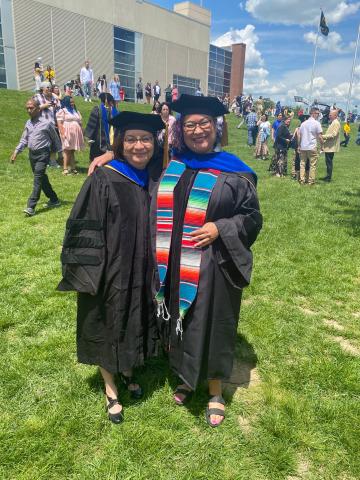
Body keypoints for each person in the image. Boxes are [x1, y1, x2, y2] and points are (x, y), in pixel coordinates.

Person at [88, 95, 262, 428]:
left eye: (205, 124)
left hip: (214, 263)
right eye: (190, 125)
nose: (198, 131)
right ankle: (185, 377)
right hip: (174, 261)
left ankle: (214, 391)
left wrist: (221, 227)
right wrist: (111, 152)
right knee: (181, 319)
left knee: (209, 322)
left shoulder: (236, 171)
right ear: (181, 129)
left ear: (217, 127)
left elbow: (251, 218)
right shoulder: (173, 164)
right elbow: (136, 163)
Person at [58, 111, 165, 424]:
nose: (138, 146)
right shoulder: (103, 177)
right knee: (108, 318)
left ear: (154, 143)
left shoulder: (158, 177)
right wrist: (91, 271)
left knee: (136, 315)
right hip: (111, 267)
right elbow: (85, 226)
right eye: (130, 139)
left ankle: (129, 368)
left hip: (145, 266)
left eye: (145, 139)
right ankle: (110, 387)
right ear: (120, 143)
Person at [10, 98, 61, 216]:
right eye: (27, 108)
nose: (29, 110)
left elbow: (55, 139)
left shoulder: (47, 123)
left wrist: (61, 153)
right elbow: (24, 139)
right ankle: (54, 199)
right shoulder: (28, 123)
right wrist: (16, 152)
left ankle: (31, 206)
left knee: (37, 178)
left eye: (31, 108)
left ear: (38, 109)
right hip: (32, 154)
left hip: (44, 153)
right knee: (41, 178)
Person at [85, 92, 118, 161]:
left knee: (97, 158)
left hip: (99, 138)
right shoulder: (115, 111)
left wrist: (89, 137)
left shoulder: (98, 109)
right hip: (107, 139)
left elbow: (92, 124)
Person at [56, 96, 85, 175]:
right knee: (66, 150)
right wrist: (63, 133)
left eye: (73, 102)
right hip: (67, 132)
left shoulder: (75, 111)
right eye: (70, 102)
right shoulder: (62, 111)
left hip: (75, 133)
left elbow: (79, 121)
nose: (72, 103)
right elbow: (60, 124)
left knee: (72, 150)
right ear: (66, 102)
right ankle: (65, 169)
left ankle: (73, 168)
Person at [299, 107, 323, 185]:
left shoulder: (303, 124)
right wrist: (322, 145)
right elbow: (320, 136)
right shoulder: (317, 123)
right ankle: (311, 181)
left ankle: (302, 180)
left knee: (302, 164)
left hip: (303, 146)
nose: (318, 115)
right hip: (312, 146)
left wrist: (299, 145)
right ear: (313, 113)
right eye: (317, 113)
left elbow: (300, 136)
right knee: (312, 165)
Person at [321, 110, 340, 182]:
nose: (329, 116)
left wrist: (323, 136)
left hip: (331, 146)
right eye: (329, 115)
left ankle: (328, 177)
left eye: (330, 115)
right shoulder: (333, 122)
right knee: (328, 162)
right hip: (329, 146)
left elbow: (333, 134)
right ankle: (328, 176)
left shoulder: (336, 123)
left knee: (329, 162)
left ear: (335, 115)